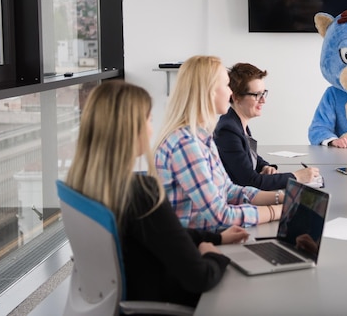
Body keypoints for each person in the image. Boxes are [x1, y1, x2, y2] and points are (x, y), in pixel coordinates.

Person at [64, 80, 249, 307]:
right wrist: (213, 253)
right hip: (163, 299)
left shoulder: (87, 185)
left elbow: (167, 234)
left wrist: (217, 237)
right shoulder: (141, 193)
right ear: (132, 129)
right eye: (149, 120)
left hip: (130, 291)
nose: (152, 128)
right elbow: (200, 277)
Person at [155, 55, 286, 232]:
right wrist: (279, 211)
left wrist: (281, 197)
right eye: (226, 85)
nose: (231, 93)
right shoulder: (186, 145)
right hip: (194, 245)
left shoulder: (202, 137)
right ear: (209, 91)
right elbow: (221, 216)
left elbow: (229, 191)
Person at [214, 62, 320, 190]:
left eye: (263, 93)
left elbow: (250, 156)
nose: (263, 100)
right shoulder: (228, 131)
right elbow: (251, 181)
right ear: (236, 97)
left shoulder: (237, 123)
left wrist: (264, 167)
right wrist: (296, 177)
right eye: (257, 95)